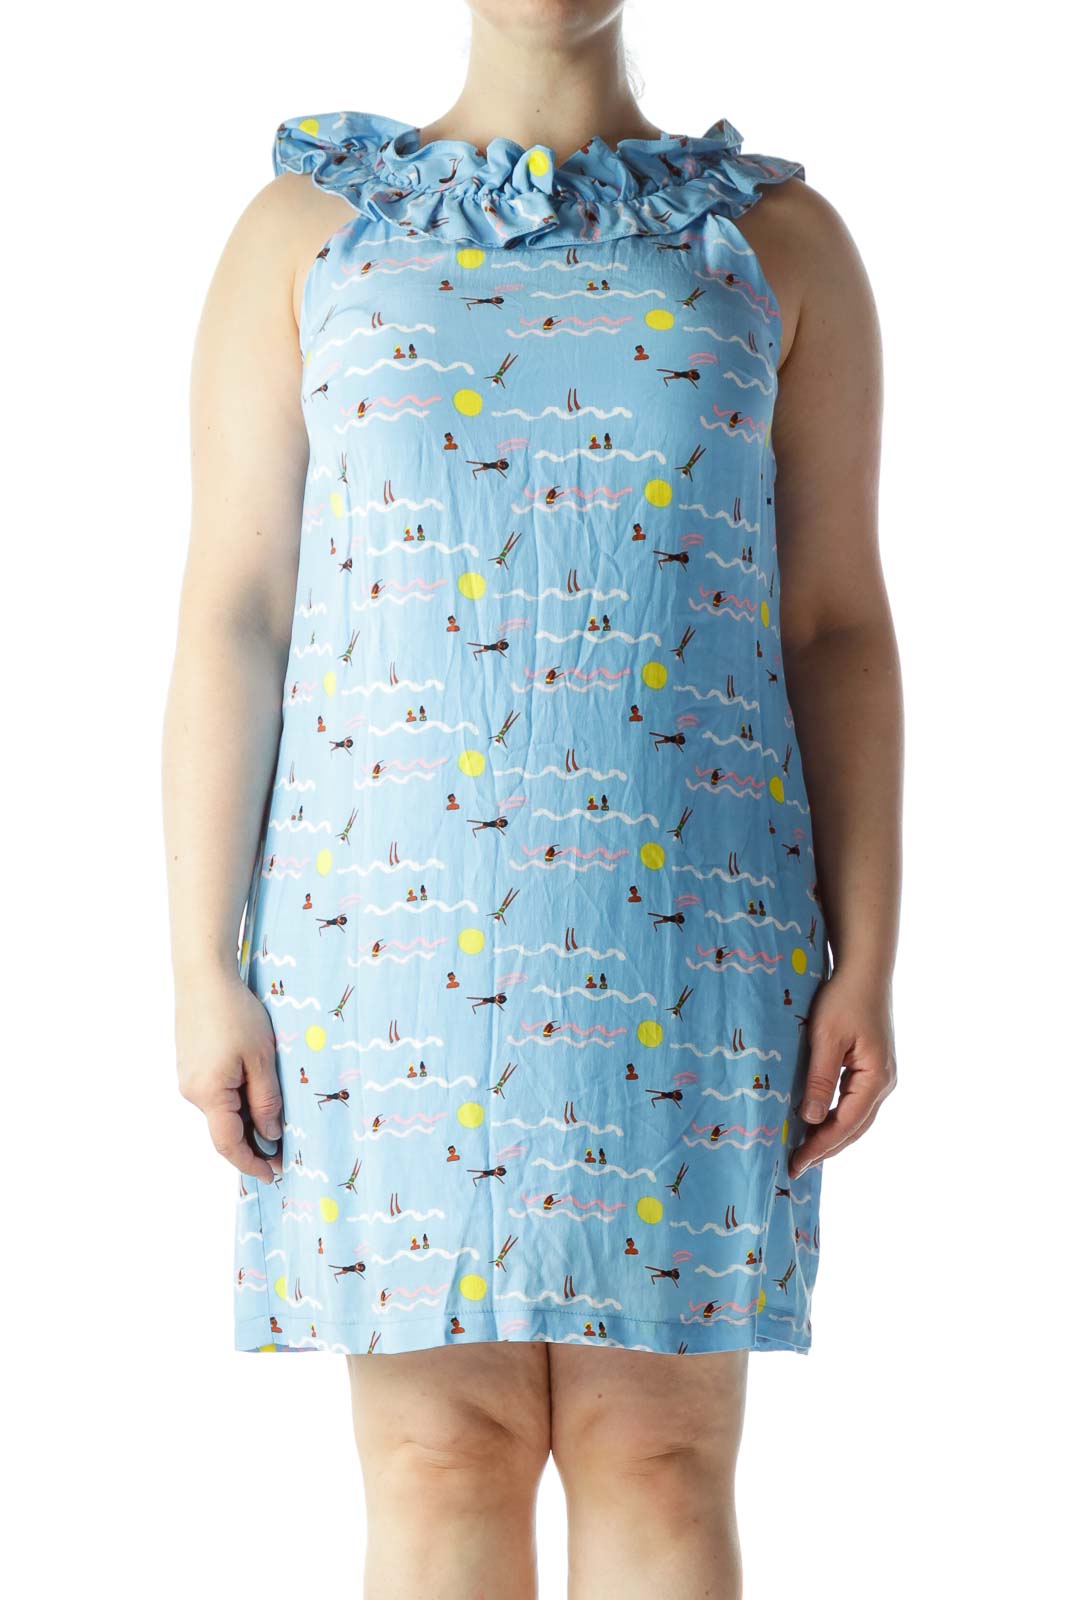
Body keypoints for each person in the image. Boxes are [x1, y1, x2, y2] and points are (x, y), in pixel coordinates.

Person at [161, 3, 901, 1595]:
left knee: (662, 1456)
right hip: (388, 942)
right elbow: (238, 613)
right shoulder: (310, 235)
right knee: (440, 1458)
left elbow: (835, 624)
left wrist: (871, 956)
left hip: (695, 935)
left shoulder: (777, 246)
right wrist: (201, 965)